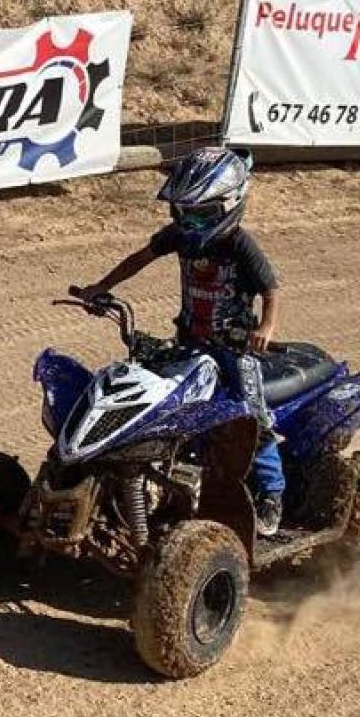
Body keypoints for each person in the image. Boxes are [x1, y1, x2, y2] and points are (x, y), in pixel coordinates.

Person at [71, 146, 286, 536]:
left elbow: (270, 288)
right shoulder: (181, 236)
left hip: (235, 349)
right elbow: (139, 258)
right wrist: (100, 288)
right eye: (181, 213)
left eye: (199, 214)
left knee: (253, 419)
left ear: (228, 205)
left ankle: (272, 495)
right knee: (163, 403)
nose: (189, 223)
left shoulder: (239, 244)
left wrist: (265, 329)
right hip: (190, 340)